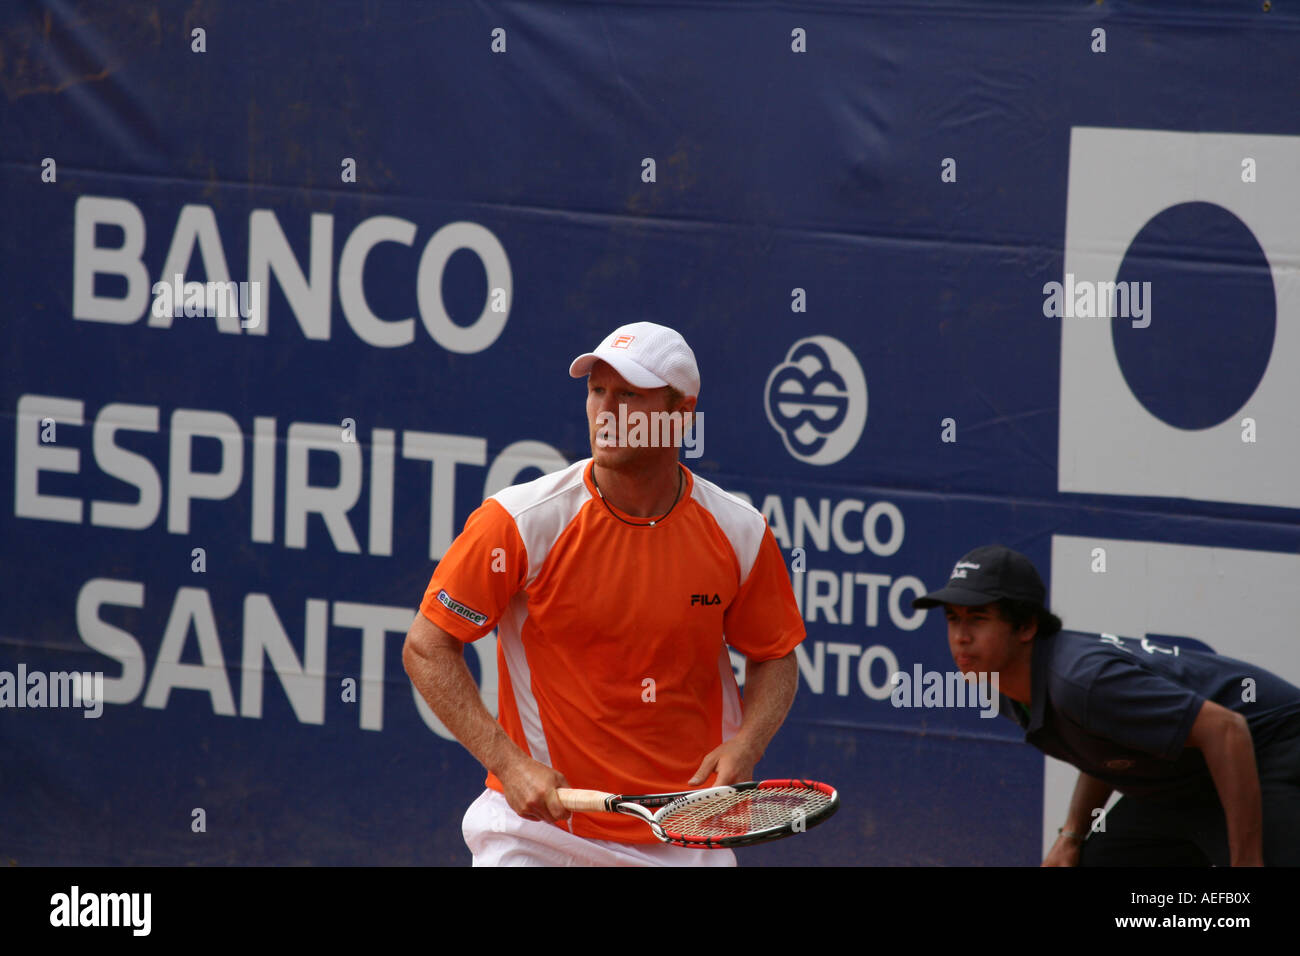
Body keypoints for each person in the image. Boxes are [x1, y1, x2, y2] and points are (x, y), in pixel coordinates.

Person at [403, 321, 805, 866]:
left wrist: (749, 742)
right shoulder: (518, 523)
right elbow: (428, 646)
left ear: (680, 413)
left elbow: (775, 655)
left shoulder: (740, 533)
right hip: (537, 838)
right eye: (597, 392)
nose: (607, 412)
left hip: (687, 837)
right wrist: (510, 763)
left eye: (629, 396)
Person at [913, 544, 1300, 867]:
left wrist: (1248, 862)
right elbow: (1102, 740)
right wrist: (1071, 835)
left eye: (978, 618)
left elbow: (1227, 730)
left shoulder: (1081, 680)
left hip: (1270, 750)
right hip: (1180, 780)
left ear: (1026, 627)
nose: (961, 637)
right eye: (952, 619)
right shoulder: (997, 682)